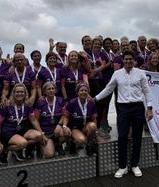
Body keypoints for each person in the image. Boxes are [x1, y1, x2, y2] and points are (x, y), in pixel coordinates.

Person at [94, 50, 153, 178]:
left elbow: (147, 91)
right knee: (122, 136)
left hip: (137, 107)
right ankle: (122, 166)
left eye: (130, 59)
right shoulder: (117, 74)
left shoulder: (140, 73)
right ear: (122, 60)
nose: (128, 61)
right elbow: (108, 88)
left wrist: (149, 108)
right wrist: (96, 98)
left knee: (137, 136)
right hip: (123, 108)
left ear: (134, 60)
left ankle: (135, 165)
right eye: (125, 59)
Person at [0, 83, 45, 164]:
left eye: (22, 92)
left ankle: (14, 148)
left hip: (21, 130)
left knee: (39, 136)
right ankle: (5, 150)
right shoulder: (6, 105)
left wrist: (42, 134)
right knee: (23, 143)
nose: (19, 94)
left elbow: (33, 120)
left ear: (25, 94)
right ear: (13, 93)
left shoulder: (27, 105)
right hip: (8, 131)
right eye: (17, 92)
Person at [35, 82, 70, 157]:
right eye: (48, 89)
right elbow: (36, 120)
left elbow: (64, 115)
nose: (51, 90)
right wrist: (41, 134)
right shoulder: (40, 102)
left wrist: (59, 125)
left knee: (67, 133)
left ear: (55, 90)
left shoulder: (60, 100)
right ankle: (41, 145)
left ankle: (58, 144)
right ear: (44, 92)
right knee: (49, 154)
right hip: (45, 131)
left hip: (56, 128)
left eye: (52, 89)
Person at [63, 82, 97, 156]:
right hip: (75, 128)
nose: (83, 92)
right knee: (81, 140)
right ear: (77, 93)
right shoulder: (72, 103)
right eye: (81, 90)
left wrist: (95, 132)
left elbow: (94, 119)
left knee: (93, 126)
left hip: (85, 127)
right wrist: (64, 127)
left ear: (88, 92)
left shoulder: (91, 103)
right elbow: (66, 116)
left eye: (85, 90)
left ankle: (89, 145)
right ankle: (72, 141)